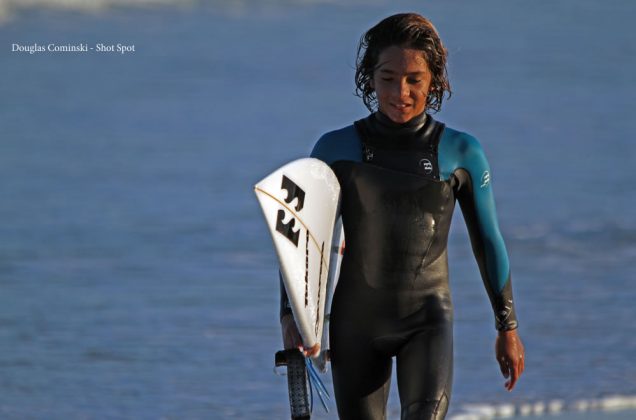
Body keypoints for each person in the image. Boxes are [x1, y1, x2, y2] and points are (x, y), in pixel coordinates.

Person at [279, 12, 525, 420]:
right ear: (369, 77)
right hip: (355, 323)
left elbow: (488, 241)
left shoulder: (461, 153)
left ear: (435, 80)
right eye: (388, 78)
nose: (400, 92)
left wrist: (508, 327)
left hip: (426, 322)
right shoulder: (334, 149)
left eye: (414, 79)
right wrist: (291, 315)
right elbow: (300, 237)